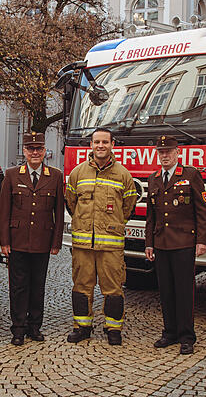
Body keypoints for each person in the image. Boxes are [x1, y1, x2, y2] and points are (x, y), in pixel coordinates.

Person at [65, 127, 137, 345]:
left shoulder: (123, 175)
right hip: (83, 244)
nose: (100, 146)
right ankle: (82, 327)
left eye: (105, 142)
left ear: (112, 144)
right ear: (91, 145)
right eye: (97, 142)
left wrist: (112, 225)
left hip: (111, 246)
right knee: (81, 286)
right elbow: (71, 203)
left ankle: (113, 329)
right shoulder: (77, 173)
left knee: (113, 288)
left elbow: (128, 207)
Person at [145, 135, 206, 355]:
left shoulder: (190, 175)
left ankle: (186, 336)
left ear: (177, 153)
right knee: (166, 291)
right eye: (161, 152)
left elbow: (202, 210)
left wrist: (202, 240)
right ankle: (169, 332)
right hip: (161, 242)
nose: (165, 156)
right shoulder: (153, 178)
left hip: (183, 242)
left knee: (184, 291)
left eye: (168, 152)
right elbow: (151, 216)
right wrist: (149, 243)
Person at [0, 131, 64, 346]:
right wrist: (5, 242)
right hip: (17, 241)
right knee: (18, 286)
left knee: (38, 285)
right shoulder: (11, 175)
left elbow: (59, 212)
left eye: (39, 149)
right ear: (24, 151)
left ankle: (34, 326)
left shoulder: (55, 176)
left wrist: (56, 242)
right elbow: (4, 211)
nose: (35, 153)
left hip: (42, 241)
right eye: (30, 149)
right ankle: (17, 328)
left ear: (44, 151)